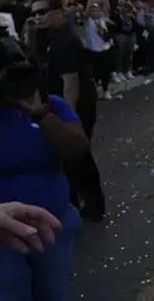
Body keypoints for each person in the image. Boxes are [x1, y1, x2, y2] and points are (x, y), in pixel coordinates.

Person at [0, 34, 89, 299]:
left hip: (52, 225)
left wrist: (40, 113)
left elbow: (76, 148)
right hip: (3, 231)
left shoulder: (51, 106)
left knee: (52, 292)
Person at [29, 0, 106, 221]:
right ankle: (77, 203)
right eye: (34, 13)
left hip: (76, 106)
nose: (38, 17)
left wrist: (67, 120)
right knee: (72, 158)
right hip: (57, 102)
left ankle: (90, 205)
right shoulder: (47, 36)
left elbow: (70, 83)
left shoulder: (65, 40)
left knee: (77, 156)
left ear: (59, 12)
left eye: (43, 12)